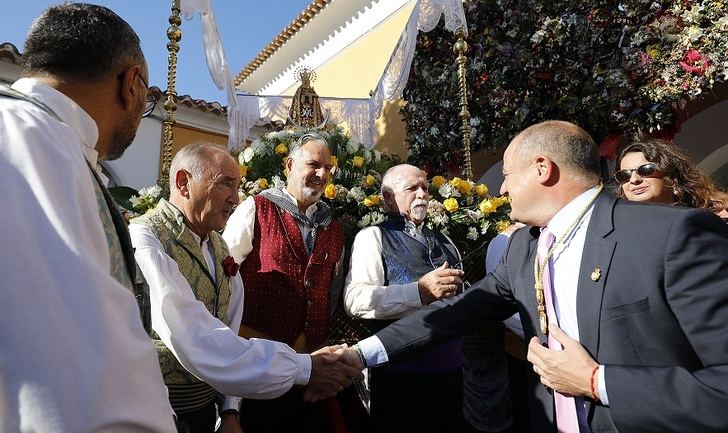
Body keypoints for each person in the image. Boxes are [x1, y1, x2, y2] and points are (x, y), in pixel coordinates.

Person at [343, 120, 728, 433]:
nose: (503, 187)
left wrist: (598, 382)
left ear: (543, 168)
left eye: (508, 174)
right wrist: (357, 354)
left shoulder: (674, 235)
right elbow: (456, 312)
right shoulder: (525, 248)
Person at [0, 4, 175, 432]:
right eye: (147, 97)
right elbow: (78, 376)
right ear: (130, 83)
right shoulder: (37, 142)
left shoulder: (44, 137)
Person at [130, 143, 362, 433]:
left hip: (213, 407)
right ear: (183, 183)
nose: (235, 197)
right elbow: (191, 333)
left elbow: (229, 326)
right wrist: (304, 368)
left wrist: (229, 409)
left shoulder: (217, 245)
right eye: (225, 183)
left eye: (238, 185)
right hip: (153, 412)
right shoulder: (146, 236)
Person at [222, 132, 347, 433]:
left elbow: (331, 294)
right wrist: (229, 403)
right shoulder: (255, 208)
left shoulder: (335, 229)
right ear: (289, 165)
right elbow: (223, 283)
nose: (321, 174)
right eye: (314, 164)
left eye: (328, 168)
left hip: (310, 377)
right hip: (257, 368)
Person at [344, 164, 467, 433]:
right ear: (389, 198)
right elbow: (355, 300)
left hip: (452, 373)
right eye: (412, 188)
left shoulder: (446, 240)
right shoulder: (373, 237)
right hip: (402, 376)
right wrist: (418, 292)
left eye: (425, 187)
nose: (422, 194)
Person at [614, 139, 724, 212]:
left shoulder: (708, 219)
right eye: (624, 175)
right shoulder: (620, 231)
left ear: (671, 175)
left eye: (645, 169)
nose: (634, 180)